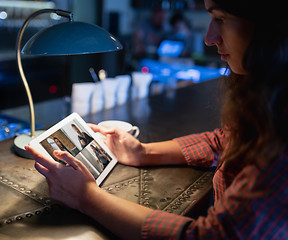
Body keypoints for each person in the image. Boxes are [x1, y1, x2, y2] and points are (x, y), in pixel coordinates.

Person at [25, 0, 288, 239]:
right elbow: (223, 140)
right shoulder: (269, 107)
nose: (210, 38)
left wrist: (87, 197)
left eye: (220, 19)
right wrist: (142, 152)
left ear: (271, 26)